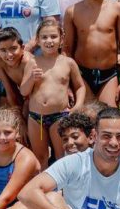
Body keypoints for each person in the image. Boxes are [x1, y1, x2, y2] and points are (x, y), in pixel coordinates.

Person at [64, 0, 120, 106]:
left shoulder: (117, 9)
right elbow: (67, 50)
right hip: (81, 74)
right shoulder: (72, 12)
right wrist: (69, 82)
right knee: (86, 119)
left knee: (108, 117)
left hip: (109, 74)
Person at [23, 20, 87, 166]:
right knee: (40, 157)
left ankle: (63, 188)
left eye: (53, 36)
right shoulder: (33, 62)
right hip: (36, 118)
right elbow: (24, 91)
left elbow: (80, 86)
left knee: (62, 156)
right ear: (37, 40)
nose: (49, 41)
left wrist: (78, 106)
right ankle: (43, 187)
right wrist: (31, 79)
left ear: (61, 39)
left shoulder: (68, 62)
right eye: (44, 37)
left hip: (59, 116)